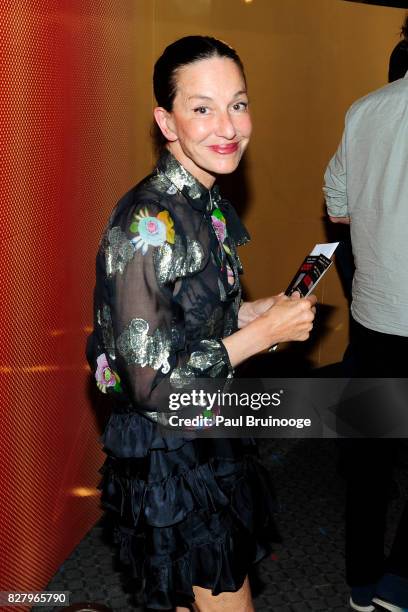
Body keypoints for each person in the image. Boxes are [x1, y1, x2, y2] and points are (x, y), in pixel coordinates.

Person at [86, 36, 316, 612]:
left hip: (209, 426)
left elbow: (182, 320)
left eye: (238, 104)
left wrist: (249, 313)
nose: (228, 127)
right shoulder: (149, 221)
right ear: (167, 121)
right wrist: (262, 337)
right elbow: (149, 384)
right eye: (202, 108)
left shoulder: (204, 201)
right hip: (175, 453)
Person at [323, 24, 408, 612]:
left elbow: (338, 207)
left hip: (376, 315)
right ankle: (399, 585)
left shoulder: (366, 109)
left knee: (371, 460)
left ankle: (360, 583)